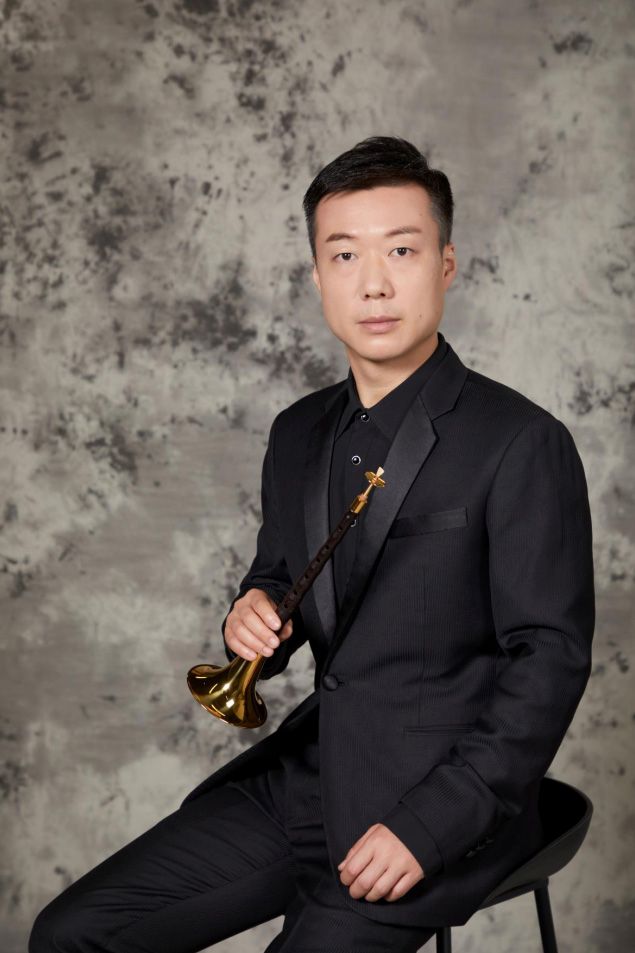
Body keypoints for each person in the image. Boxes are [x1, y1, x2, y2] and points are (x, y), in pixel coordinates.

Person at [29, 136, 595, 953]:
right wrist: (251, 611)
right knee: (71, 933)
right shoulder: (296, 431)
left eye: (401, 250)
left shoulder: (520, 441)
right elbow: (280, 572)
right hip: (307, 778)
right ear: (317, 278)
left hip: (436, 806)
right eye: (344, 255)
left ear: (445, 264)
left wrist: (429, 825)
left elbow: (548, 661)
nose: (373, 282)